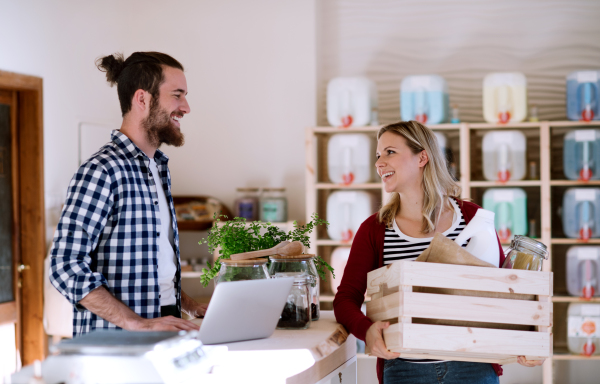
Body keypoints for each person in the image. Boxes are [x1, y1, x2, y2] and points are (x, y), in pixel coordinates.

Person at [333, 121, 543, 384]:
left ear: (422, 157)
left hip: (473, 367)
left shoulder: (471, 218)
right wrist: (368, 331)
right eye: (377, 156)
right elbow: (345, 299)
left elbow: (506, 292)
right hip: (404, 369)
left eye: (389, 152)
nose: (379, 163)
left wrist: (528, 340)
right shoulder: (374, 230)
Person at [50, 52, 207, 336]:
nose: (186, 107)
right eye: (177, 95)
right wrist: (136, 323)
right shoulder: (102, 170)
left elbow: (152, 266)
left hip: (164, 326)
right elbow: (65, 267)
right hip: (118, 346)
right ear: (142, 99)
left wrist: (189, 305)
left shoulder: (158, 168)